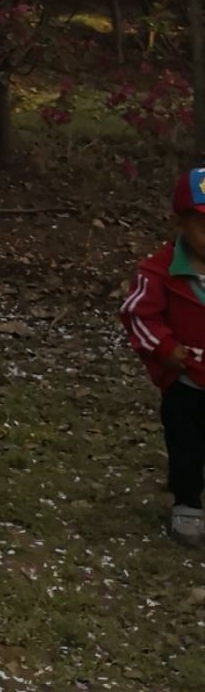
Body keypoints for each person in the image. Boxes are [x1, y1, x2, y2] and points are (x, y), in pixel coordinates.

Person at [122, 170, 205, 545]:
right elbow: (139, 315)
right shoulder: (159, 271)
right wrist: (163, 346)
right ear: (182, 225)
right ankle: (187, 505)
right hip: (188, 382)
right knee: (187, 446)